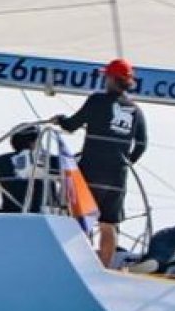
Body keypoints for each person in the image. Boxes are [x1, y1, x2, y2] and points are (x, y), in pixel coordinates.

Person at [52, 58, 148, 267]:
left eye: (106, 76)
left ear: (113, 79)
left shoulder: (96, 101)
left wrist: (59, 120)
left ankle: (79, 265)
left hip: (91, 171)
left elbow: (71, 125)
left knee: (81, 220)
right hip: (117, 176)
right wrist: (124, 163)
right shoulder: (136, 110)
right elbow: (141, 145)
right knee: (108, 224)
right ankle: (103, 269)